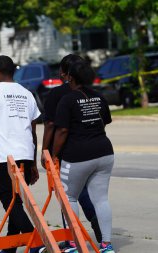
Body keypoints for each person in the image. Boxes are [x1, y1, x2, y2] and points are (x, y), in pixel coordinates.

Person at [0, 55, 40, 253]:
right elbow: (33, 132)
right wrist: (33, 163)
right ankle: (10, 248)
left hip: (5, 159)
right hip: (26, 156)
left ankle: (36, 240)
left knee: (8, 198)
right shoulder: (27, 94)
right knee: (16, 201)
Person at [52, 61, 115, 253]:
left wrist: (54, 154)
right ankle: (106, 245)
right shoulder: (99, 96)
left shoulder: (68, 100)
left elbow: (62, 130)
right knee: (101, 199)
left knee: (68, 197)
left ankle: (72, 244)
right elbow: (104, 121)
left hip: (78, 155)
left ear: (70, 76)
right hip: (104, 152)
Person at [41, 54, 102, 244]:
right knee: (86, 192)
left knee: (67, 195)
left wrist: (46, 152)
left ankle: (71, 239)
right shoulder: (90, 93)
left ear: (63, 73)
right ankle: (97, 223)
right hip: (91, 149)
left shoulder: (55, 95)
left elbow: (51, 126)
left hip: (65, 152)